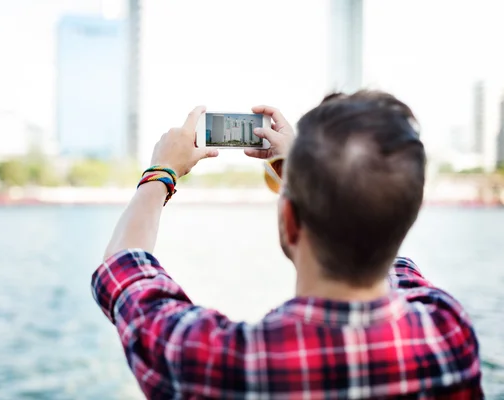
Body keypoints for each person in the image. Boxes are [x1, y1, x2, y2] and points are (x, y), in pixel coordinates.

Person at [91, 91, 483, 399]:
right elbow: (377, 233)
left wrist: (163, 170)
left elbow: (124, 268)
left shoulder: (223, 362)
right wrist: (309, 167)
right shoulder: (448, 332)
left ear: (289, 222)